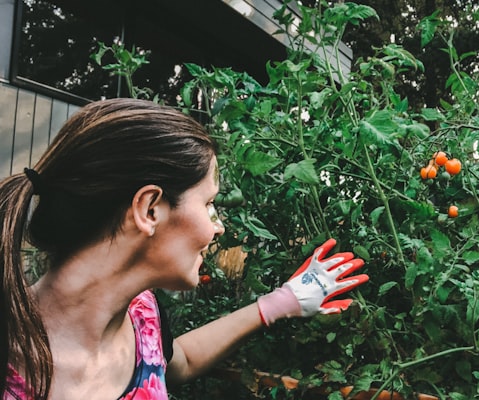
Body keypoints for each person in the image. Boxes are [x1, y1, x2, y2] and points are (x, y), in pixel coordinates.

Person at [0, 98, 369, 400]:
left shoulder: (143, 317)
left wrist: (280, 303)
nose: (218, 226)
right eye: (209, 204)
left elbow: (181, 362)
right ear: (148, 210)